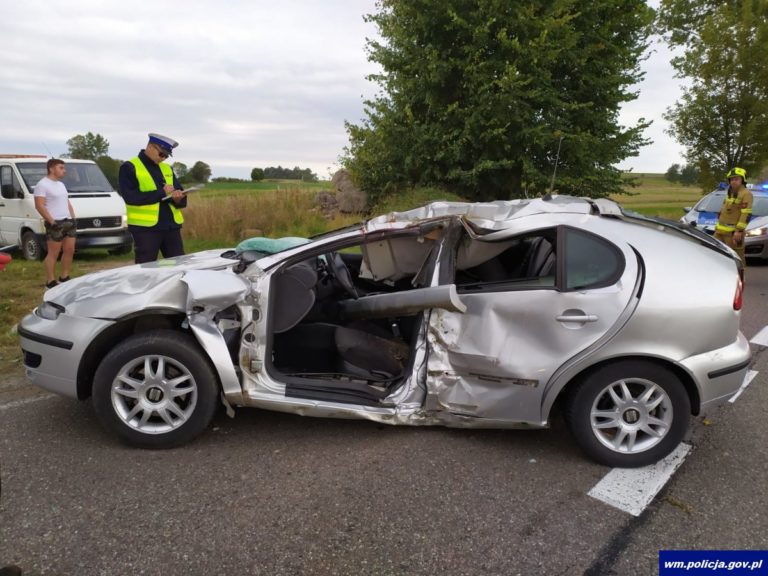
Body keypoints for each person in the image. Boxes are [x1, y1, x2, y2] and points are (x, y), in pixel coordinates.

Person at [118, 133, 187, 264]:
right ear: (150, 147)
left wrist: (178, 199)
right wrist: (162, 193)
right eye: (162, 154)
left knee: (179, 266)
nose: (163, 158)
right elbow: (131, 197)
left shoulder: (167, 168)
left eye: (166, 156)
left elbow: (180, 193)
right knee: (146, 270)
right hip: (145, 230)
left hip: (171, 227)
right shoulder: (129, 167)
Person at [33, 158, 76, 288]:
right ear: (51, 169)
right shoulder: (42, 185)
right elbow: (39, 205)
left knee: (69, 250)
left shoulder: (61, 185)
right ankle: (50, 281)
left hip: (68, 221)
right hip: (55, 222)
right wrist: (51, 222)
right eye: (61, 168)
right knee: (54, 252)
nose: (64, 171)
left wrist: (73, 218)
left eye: (64, 168)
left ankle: (64, 277)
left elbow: (67, 202)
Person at [714, 166, 753, 265]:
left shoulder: (746, 194)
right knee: (716, 256)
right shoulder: (730, 192)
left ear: (742, 180)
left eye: (736, 179)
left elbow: (746, 213)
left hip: (733, 234)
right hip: (719, 232)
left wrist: (739, 231)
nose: (733, 181)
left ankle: (740, 279)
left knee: (737, 260)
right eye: (731, 179)